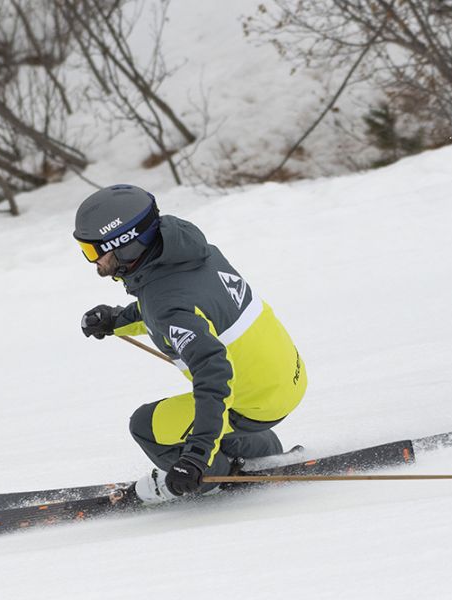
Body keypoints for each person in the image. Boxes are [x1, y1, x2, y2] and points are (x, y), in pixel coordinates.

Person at [74, 184, 307, 504]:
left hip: (255, 401)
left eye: (93, 252)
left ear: (125, 247)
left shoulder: (166, 302)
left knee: (145, 426)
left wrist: (196, 458)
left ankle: (215, 477)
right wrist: (116, 320)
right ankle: (262, 451)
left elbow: (213, 374)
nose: (92, 261)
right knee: (203, 415)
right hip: (288, 377)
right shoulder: (189, 251)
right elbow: (185, 309)